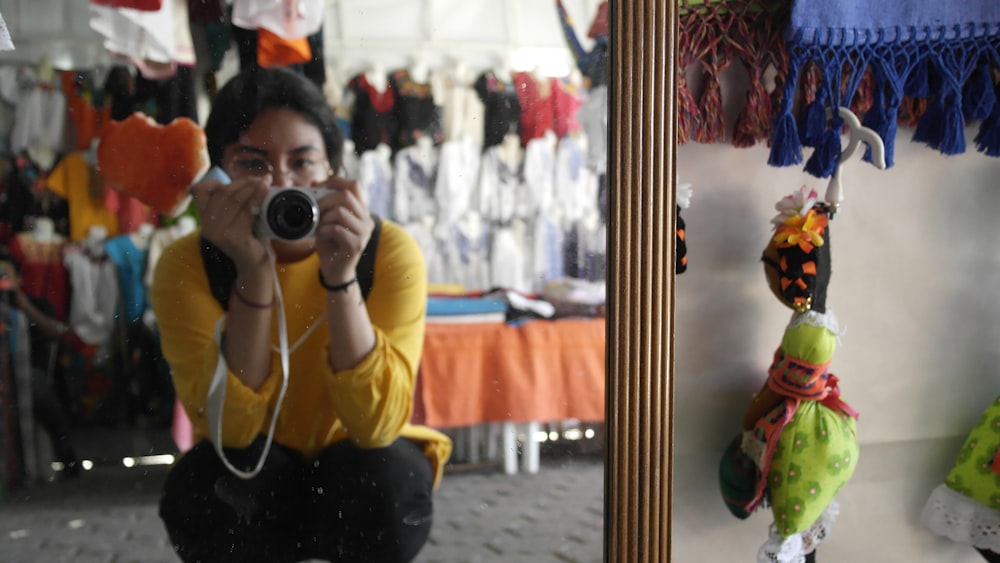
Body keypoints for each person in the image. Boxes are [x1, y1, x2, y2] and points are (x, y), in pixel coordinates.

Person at [150, 66, 452, 563]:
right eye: (253, 164)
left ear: (333, 170)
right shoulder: (189, 263)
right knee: (207, 491)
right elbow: (233, 433)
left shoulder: (385, 249)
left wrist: (341, 275)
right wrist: (252, 266)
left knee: (385, 483)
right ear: (218, 174)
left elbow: (375, 426)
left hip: (356, 463)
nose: (281, 185)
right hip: (252, 470)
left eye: (303, 162)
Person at [0, 252, 80, 479]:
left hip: (31, 373)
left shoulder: (35, 303)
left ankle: (66, 454)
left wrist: (24, 306)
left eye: (5, 275)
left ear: (19, 279)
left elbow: (57, 334)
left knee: (38, 389)